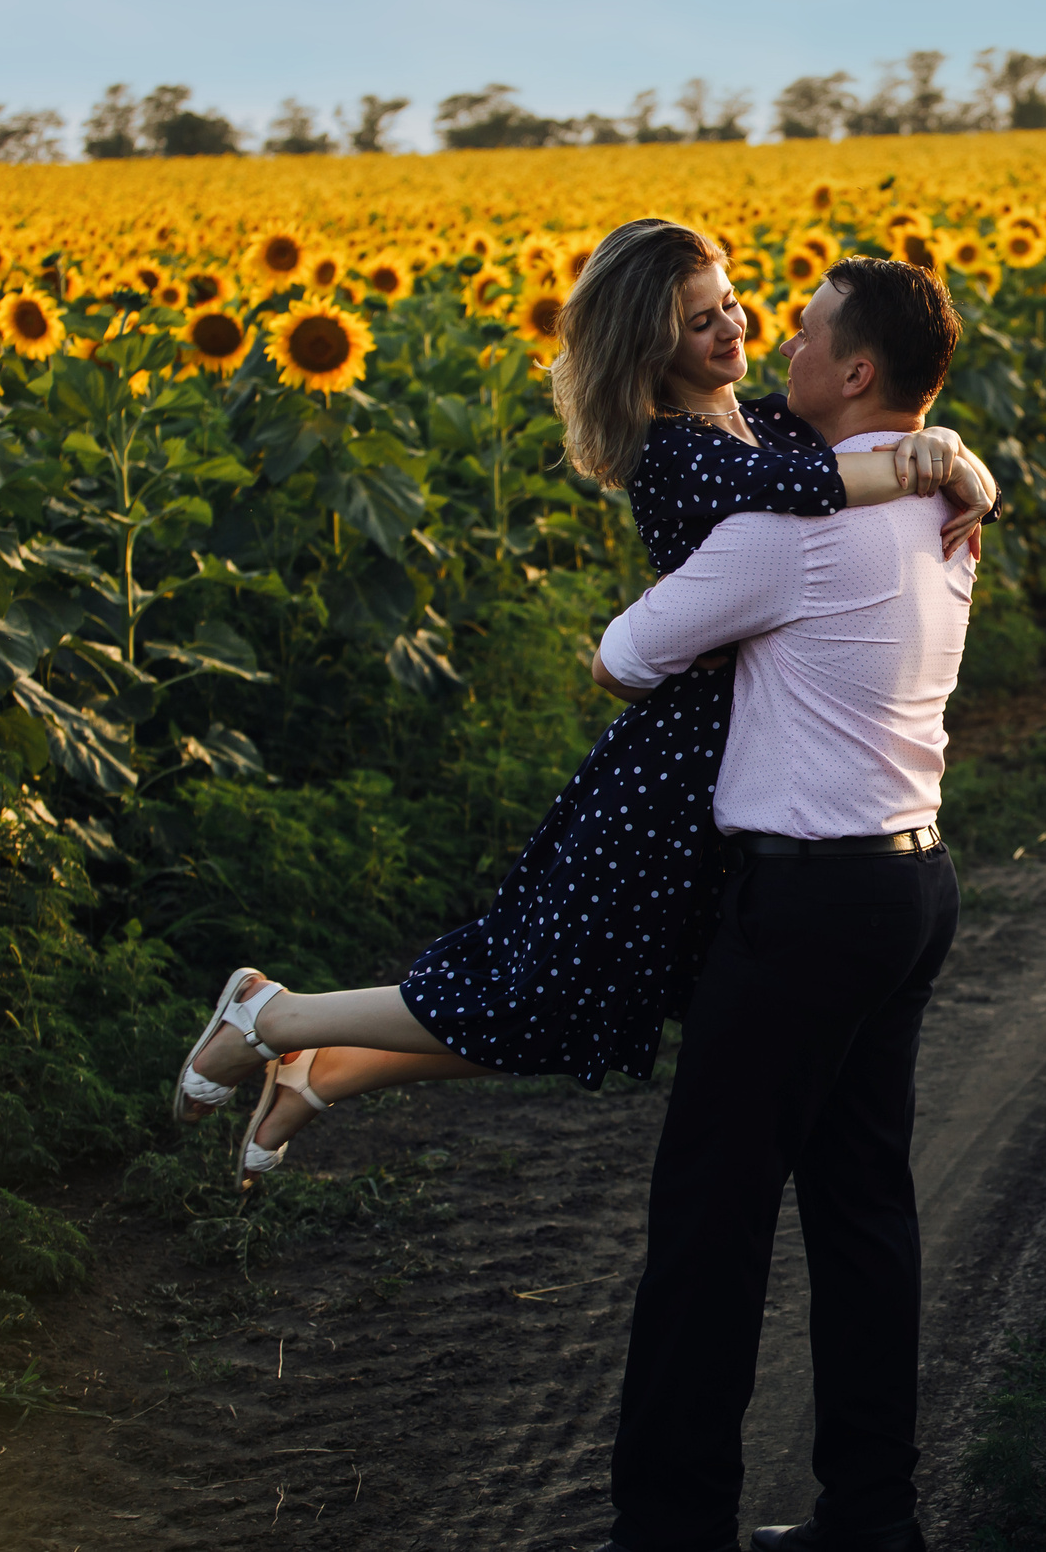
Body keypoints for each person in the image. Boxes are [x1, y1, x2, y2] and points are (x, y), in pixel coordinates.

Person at [168, 220, 996, 1190]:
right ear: (655, 348)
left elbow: (858, 430)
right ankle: (271, 1018)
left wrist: (947, 450)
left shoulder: (759, 420)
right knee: (543, 991)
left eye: (729, 302)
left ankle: (322, 1068)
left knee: (591, 1004)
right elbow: (813, 482)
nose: (735, 328)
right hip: (674, 773)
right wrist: (937, 461)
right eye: (701, 322)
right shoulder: (681, 452)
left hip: (746, 768)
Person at [588, 257, 974, 1552]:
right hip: (913, 882)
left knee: (712, 1221)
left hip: (803, 903)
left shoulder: (788, 531)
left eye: (803, 333)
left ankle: (669, 1528)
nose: (778, 350)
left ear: (855, 371)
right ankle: (874, 1519)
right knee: (864, 1209)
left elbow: (625, 653)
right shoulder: (945, 507)